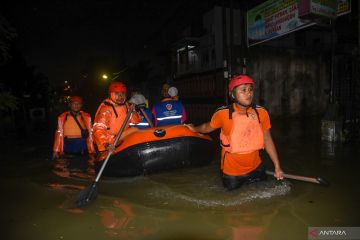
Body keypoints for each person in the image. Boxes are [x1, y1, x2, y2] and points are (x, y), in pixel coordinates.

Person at [186, 74, 283, 190]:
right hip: (232, 173)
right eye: (243, 90)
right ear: (233, 94)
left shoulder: (261, 113)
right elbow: (207, 127)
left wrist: (277, 166)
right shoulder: (223, 114)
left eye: (250, 90)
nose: (249, 93)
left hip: (256, 167)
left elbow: (267, 139)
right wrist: (194, 129)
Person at [93, 82, 142, 152]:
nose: (121, 96)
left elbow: (136, 121)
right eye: (117, 94)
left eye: (123, 94)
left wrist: (133, 110)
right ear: (111, 94)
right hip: (109, 142)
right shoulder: (106, 109)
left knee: (135, 130)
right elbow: (98, 129)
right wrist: (106, 144)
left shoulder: (127, 105)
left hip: (121, 138)